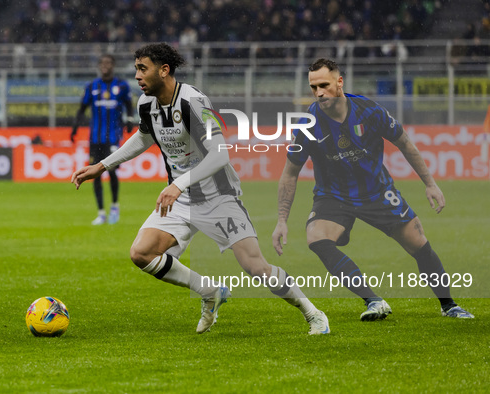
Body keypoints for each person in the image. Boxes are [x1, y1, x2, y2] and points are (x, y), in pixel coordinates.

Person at [72, 43, 330, 335]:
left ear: (164, 70)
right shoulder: (146, 104)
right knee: (141, 253)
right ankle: (210, 291)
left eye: (143, 69)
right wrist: (102, 166)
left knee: (256, 267)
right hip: (181, 200)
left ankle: (314, 314)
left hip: (218, 197)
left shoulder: (193, 101)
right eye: (136, 69)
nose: (137, 76)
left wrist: (178, 185)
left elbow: (220, 154)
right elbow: (144, 137)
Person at [272, 58, 474, 320]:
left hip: (377, 192)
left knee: (419, 244)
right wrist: (281, 220)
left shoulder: (369, 111)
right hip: (334, 196)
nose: (319, 92)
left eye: (324, 85)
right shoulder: (308, 124)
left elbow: (405, 143)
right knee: (317, 238)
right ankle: (374, 301)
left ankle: (449, 305)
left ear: (339, 82)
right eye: (313, 87)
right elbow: (289, 173)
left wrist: (430, 184)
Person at [70, 54, 134, 225]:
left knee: (112, 171)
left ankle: (114, 207)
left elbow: (129, 105)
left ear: (113, 65)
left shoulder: (122, 86)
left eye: (109, 63)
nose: (105, 66)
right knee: (94, 174)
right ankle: (101, 213)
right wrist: (74, 129)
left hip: (113, 138)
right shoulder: (92, 86)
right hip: (95, 139)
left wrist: (129, 120)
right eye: (103, 63)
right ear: (99, 66)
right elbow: (82, 108)